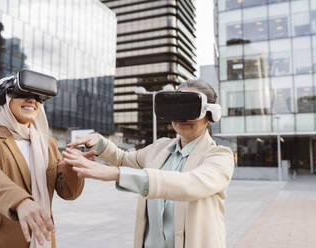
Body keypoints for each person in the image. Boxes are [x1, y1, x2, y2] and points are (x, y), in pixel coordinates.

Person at [63, 79, 234, 248]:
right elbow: (124, 159)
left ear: (211, 114)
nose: (182, 116)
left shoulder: (219, 156)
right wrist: (99, 143)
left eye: (190, 108)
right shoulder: (159, 148)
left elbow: (191, 183)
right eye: (177, 107)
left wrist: (116, 174)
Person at [0, 74, 88, 248]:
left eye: (38, 97)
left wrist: (73, 166)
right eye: (23, 93)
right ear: (1, 98)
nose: (32, 100)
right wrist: (20, 201)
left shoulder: (49, 144)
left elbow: (69, 193)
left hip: (42, 239)